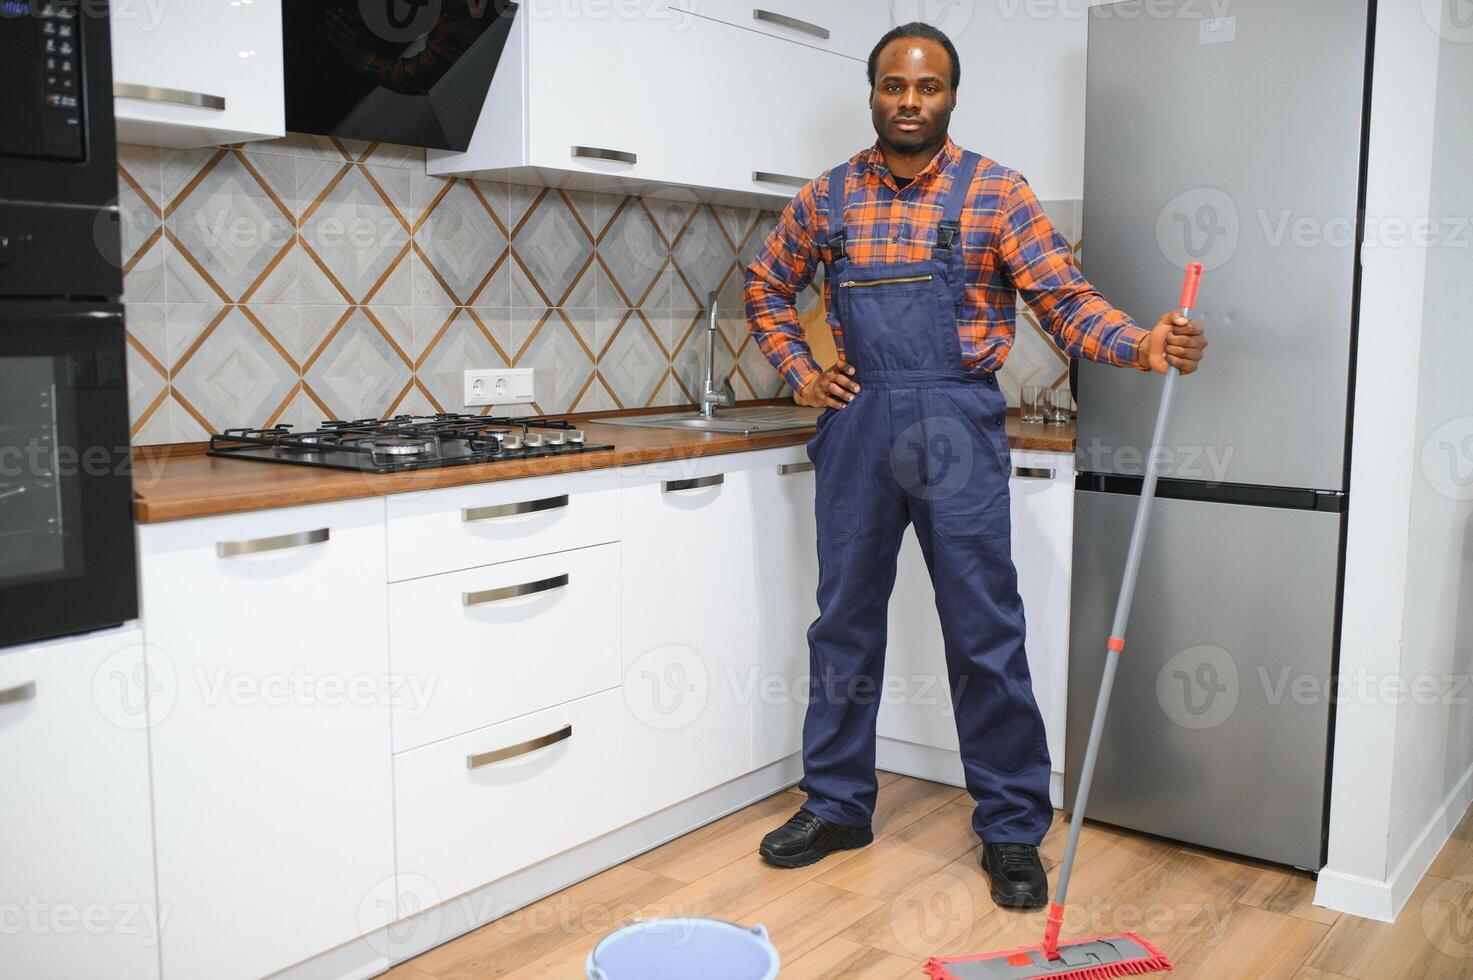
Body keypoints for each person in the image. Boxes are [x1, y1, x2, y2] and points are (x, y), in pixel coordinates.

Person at [742, 21, 1208, 910]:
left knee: (982, 631)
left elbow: (1062, 302)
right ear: (872, 91)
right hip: (858, 421)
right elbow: (765, 284)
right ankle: (837, 804)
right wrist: (802, 371)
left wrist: (1143, 346)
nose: (907, 101)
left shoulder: (997, 193)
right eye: (892, 85)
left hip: (957, 420)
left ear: (951, 95)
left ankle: (1007, 826)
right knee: (842, 626)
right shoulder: (828, 196)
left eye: (926, 87)